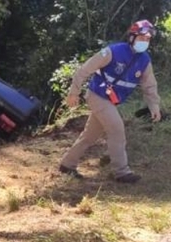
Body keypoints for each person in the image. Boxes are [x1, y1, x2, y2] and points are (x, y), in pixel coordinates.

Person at [58, 19, 162, 183]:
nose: (145, 42)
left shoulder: (144, 60)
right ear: (132, 37)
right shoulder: (113, 52)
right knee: (117, 129)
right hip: (97, 95)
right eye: (142, 38)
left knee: (89, 136)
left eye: (148, 39)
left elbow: (149, 85)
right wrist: (74, 92)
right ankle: (121, 172)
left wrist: (154, 106)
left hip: (111, 101)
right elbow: (85, 69)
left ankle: (67, 164)